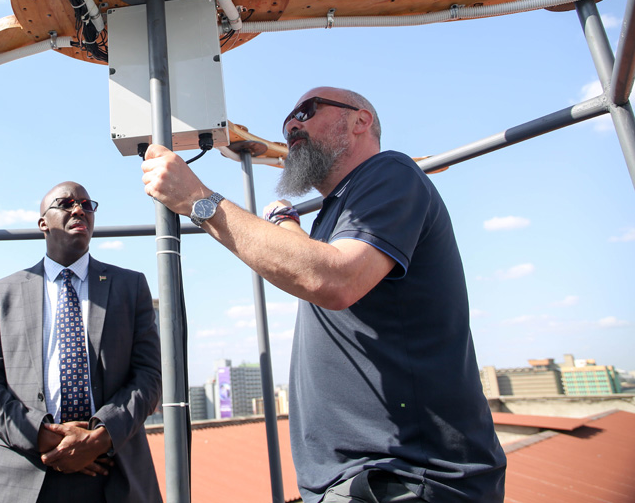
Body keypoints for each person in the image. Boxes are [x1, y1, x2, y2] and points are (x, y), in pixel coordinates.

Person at [141, 88, 507, 503]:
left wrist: (197, 199)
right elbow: (319, 261)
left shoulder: (392, 172)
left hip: (404, 479)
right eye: (287, 121)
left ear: (361, 120)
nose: (291, 124)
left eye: (306, 111)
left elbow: (334, 278)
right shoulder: (340, 208)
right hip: (361, 481)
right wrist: (286, 221)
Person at [0, 181, 162, 503]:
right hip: (25, 471)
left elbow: (149, 377)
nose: (79, 209)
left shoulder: (131, 286)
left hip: (112, 471)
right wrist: (43, 436)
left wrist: (98, 438)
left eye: (86, 204)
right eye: (66, 203)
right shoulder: (3, 294)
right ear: (43, 222)